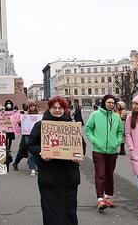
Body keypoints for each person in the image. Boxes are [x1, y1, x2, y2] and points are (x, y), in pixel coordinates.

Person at [26, 96, 80, 225]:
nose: (57, 110)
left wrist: (76, 156)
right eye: (54, 108)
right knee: (51, 209)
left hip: (69, 174)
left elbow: (81, 145)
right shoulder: (40, 125)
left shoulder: (72, 126)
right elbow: (31, 145)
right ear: (49, 109)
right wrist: (41, 152)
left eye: (60, 108)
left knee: (69, 209)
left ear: (64, 109)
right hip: (49, 174)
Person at [85, 94, 124, 211]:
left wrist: (116, 142)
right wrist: (94, 141)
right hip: (98, 150)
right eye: (109, 102)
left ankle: (107, 196)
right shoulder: (95, 115)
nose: (111, 105)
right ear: (104, 103)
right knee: (100, 174)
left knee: (109, 175)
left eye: (112, 103)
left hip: (112, 151)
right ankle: (99, 199)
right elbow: (88, 129)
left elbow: (120, 131)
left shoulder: (116, 117)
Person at [13, 100, 40, 176]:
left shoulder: (39, 115)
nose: (32, 107)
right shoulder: (25, 115)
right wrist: (20, 122)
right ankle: (32, 168)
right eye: (31, 106)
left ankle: (35, 166)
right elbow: (21, 125)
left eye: (33, 106)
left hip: (36, 135)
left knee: (36, 150)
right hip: (27, 135)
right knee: (28, 151)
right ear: (28, 107)